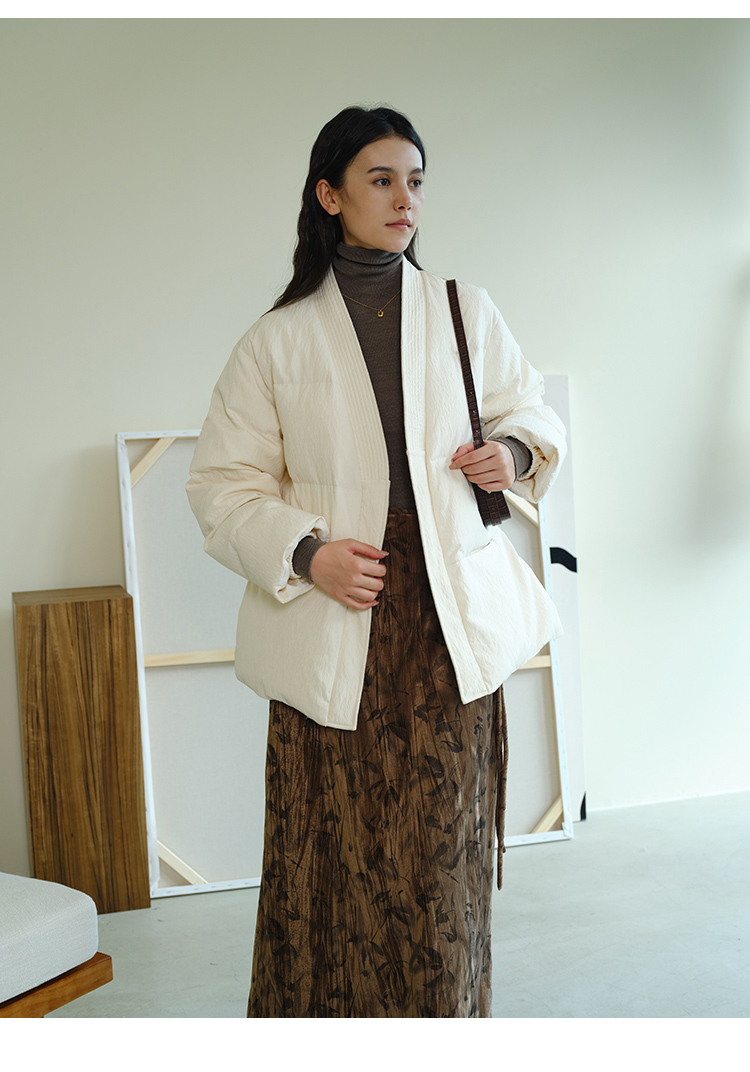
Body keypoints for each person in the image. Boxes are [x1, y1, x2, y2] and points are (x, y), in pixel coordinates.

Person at [186, 105, 567, 1018]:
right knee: (326, 861)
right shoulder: (275, 340)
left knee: (440, 868)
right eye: (382, 180)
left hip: (447, 627)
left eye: (417, 181)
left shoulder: (464, 310)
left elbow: (531, 413)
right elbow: (222, 487)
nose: (406, 200)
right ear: (330, 195)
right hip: (335, 622)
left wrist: (510, 453)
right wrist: (307, 553)